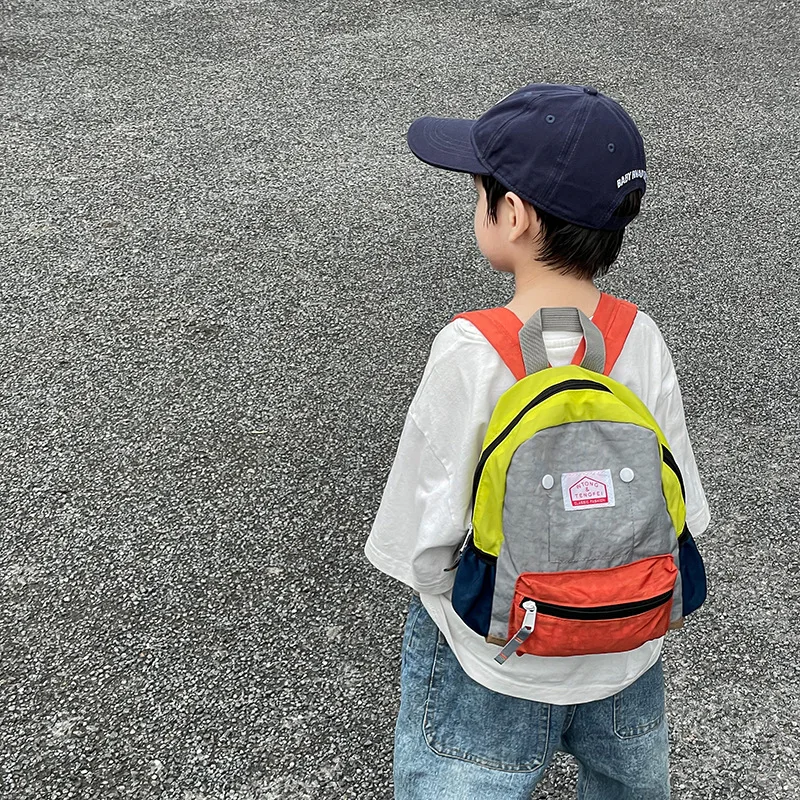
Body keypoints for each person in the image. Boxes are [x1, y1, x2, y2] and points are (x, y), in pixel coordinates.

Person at [365, 83, 710, 800]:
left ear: (513, 216)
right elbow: (686, 517)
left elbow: (419, 547)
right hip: (625, 648)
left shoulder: (469, 349)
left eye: (479, 195)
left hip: (495, 657)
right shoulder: (637, 338)